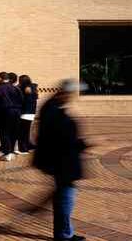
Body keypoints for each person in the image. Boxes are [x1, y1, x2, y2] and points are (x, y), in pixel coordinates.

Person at [35, 79, 88, 241]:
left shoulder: (51, 107)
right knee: (65, 199)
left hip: (59, 163)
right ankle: (64, 234)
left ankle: (64, 232)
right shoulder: (55, 112)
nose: (73, 97)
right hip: (62, 164)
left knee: (63, 196)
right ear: (66, 93)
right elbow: (63, 140)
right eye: (73, 94)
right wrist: (82, 144)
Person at [0, 71, 22, 160]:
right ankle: (11, 151)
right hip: (17, 112)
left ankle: (7, 153)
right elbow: (21, 99)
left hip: (4, 112)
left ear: (0, 78)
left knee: (4, 133)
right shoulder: (15, 88)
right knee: (13, 132)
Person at [17, 74, 38, 154]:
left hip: (24, 113)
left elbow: (22, 101)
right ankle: (27, 146)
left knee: (22, 132)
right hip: (31, 113)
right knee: (26, 131)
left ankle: (23, 148)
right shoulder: (33, 88)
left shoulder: (23, 89)